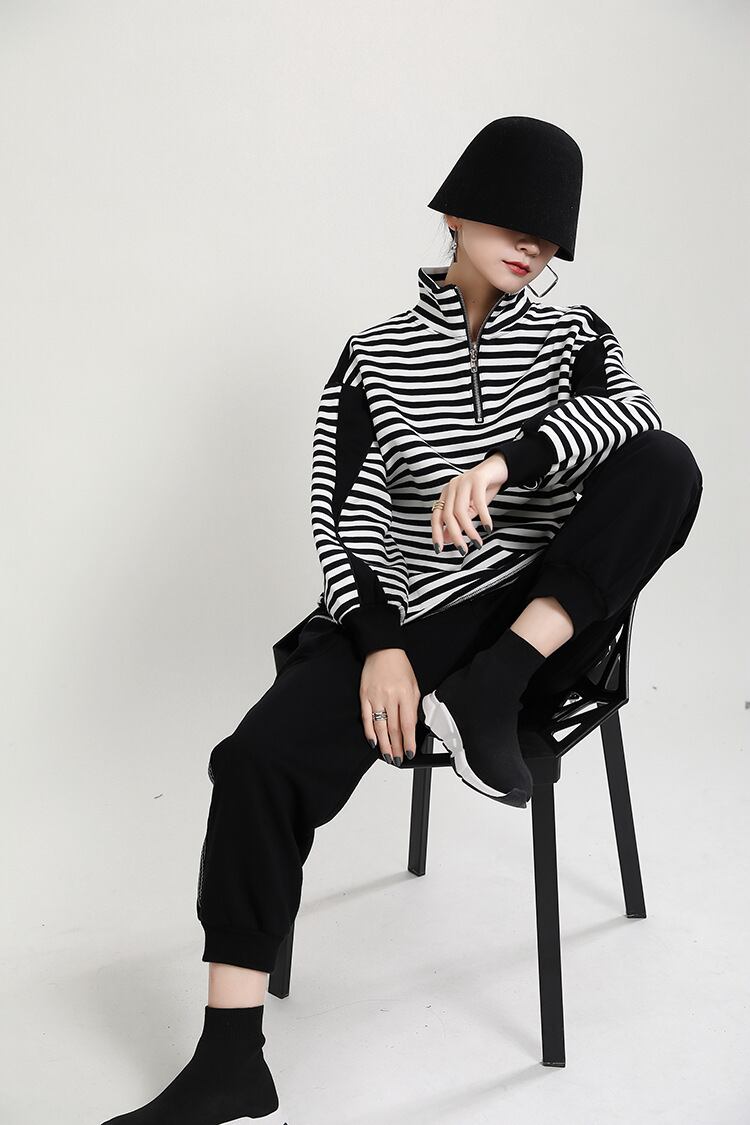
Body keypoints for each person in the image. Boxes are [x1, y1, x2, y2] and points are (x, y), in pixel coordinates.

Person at [99, 116, 703, 1124]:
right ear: (456, 212)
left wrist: (505, 463)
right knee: (253, 762)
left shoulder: (575, 337)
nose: (534, 245)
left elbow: (634, 418)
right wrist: (380, 646)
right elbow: (338, 515)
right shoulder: (373, 357)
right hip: (415, 617)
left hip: (542, 624)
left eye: (552, 235)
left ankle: (493, 687)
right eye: (514, 219)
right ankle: (229, 1058)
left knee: (669, 463)